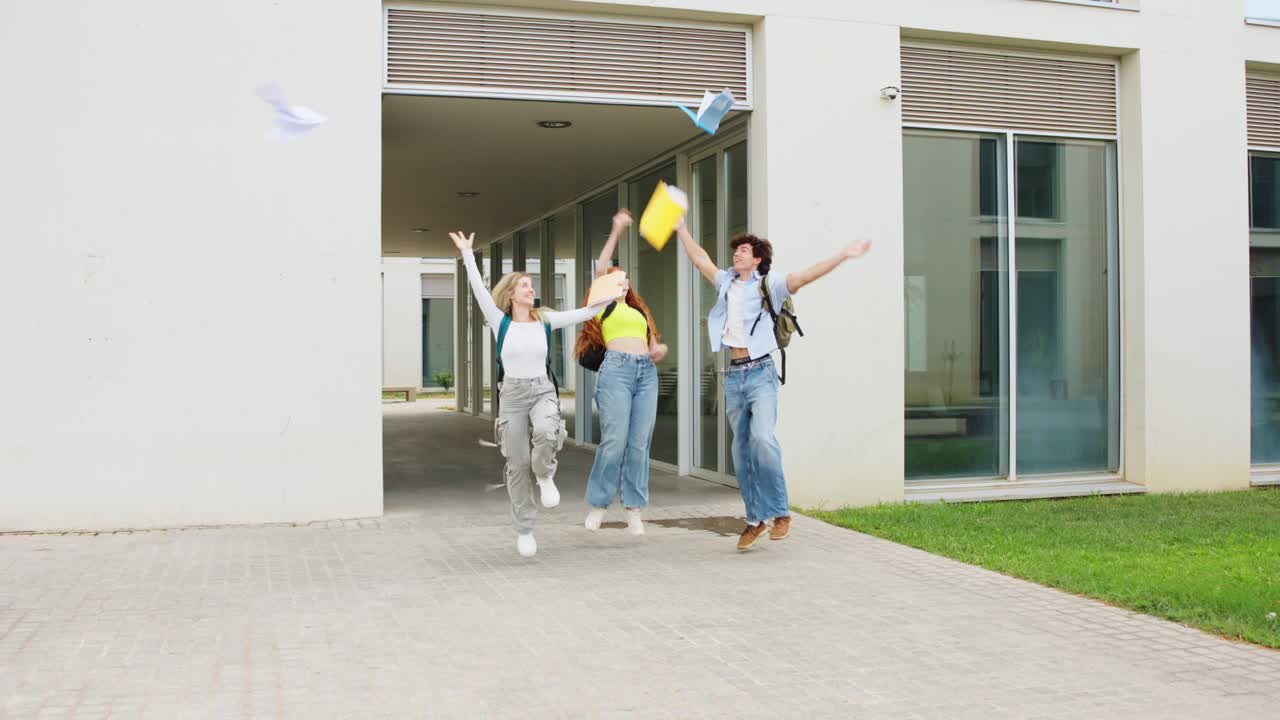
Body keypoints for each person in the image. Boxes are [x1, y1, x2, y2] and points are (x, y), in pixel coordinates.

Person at [674, 220, 871, 551]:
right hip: (733, 376)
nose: (737, 253)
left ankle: (781, 513)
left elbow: (805, 276)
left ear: (758, 260)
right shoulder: (725, 283)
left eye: (745, 251)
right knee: (741, 451)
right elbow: (700, 259)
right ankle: (755, 519)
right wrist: (681, 228)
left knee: (763, 440)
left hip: (762, 373)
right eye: (736, 250)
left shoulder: (771, 284)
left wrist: (843, 255)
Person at [450, 230, 621, 558]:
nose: (532, 288)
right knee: (517, 463)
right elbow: (477, 289)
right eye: (525, 285)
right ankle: (525, 528)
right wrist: (468, 254)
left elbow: (586, 312)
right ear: (512, 294)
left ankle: (545, 475)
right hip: (512, 394)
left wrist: (614, 293)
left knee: (546, 431)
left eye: (532, 284)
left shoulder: (545, 320)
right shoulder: (499, 322)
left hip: (542, 388)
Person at [573, 210, 669, 535]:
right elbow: (601, 268)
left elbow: (653, 345)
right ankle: (599, 505)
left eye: (624, 277)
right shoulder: (603, 307)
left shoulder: (639, 310)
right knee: (614, 441)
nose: (621, 281)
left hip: (645, 373)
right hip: (616, 371)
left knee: (639, 443)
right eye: (616, 278)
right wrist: (615, 229)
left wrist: (656, 350)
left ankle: (634, 509)